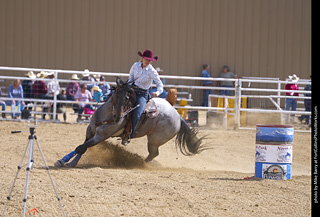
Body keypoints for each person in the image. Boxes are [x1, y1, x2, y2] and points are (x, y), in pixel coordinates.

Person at [122, 49, 163, 146]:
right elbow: (131, 78)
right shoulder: (135, 65)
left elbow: (159, 84)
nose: (147, 61)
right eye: (146, 59)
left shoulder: (152, 71)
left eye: (149, 60)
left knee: (137, 113)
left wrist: (157, 92)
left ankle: (129, 134)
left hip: (142, 93)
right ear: (142, 58)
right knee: (117, 100)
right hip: (132, 89)